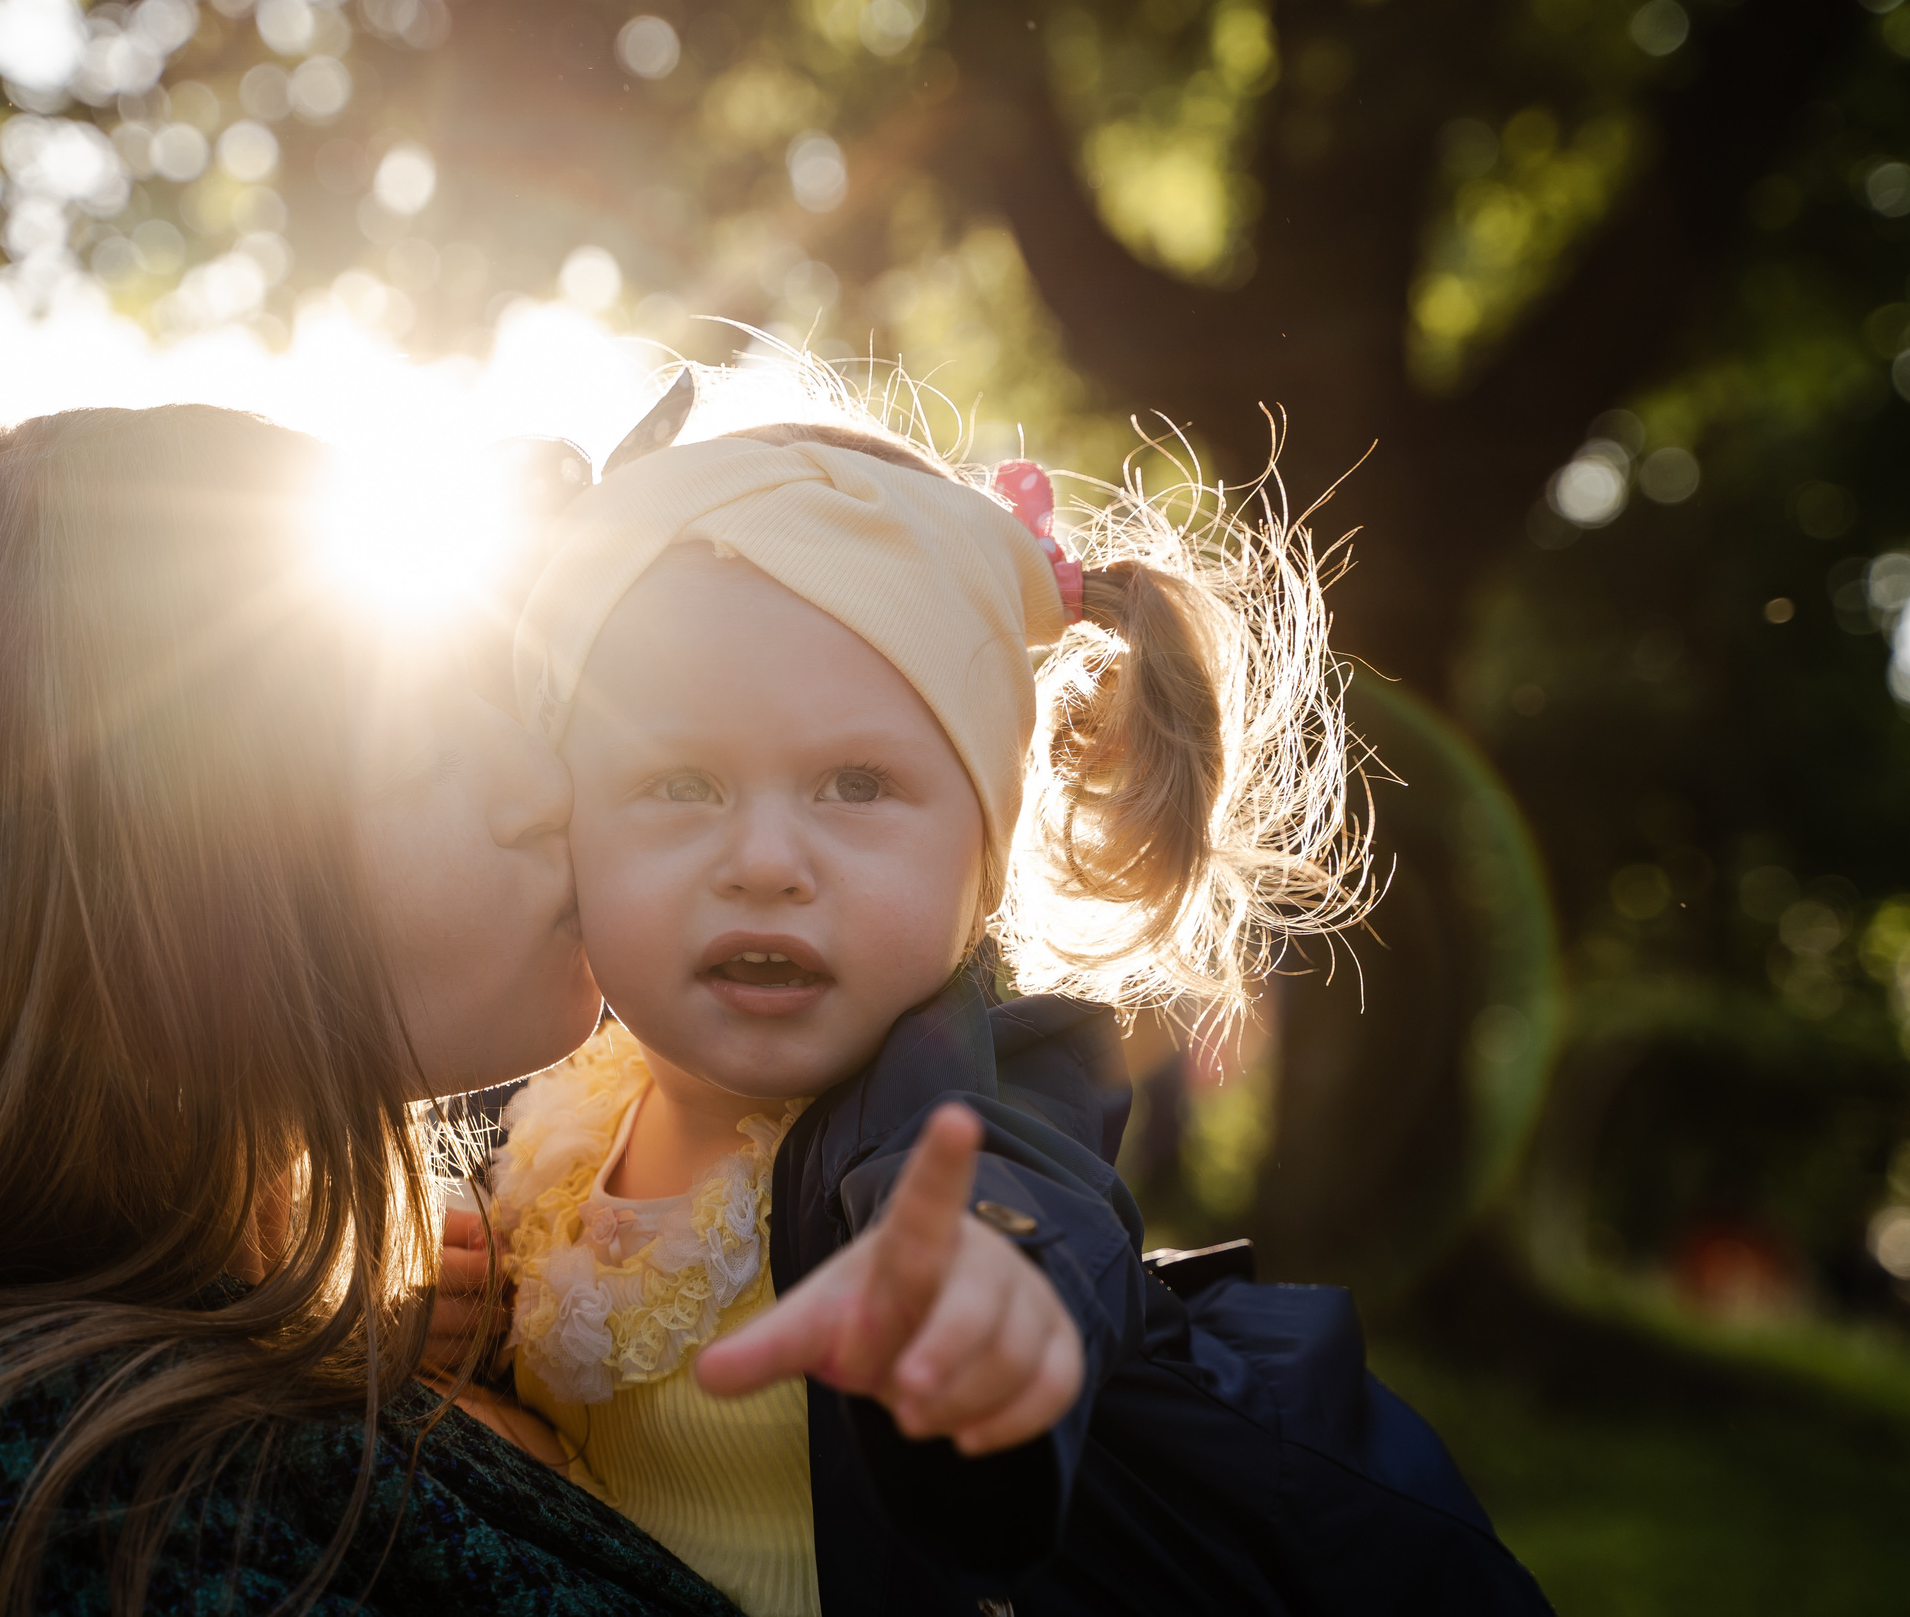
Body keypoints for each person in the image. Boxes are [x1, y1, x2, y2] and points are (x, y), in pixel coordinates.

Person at [0, 404, 1082, 1617]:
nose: (551, 779)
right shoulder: (38, 1506)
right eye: (437, 717)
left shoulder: (322, 1355)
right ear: (163, 871)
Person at [471, 387, 1555, 1615]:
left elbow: (1018, 1212)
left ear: (982, 862)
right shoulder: (566, 1111)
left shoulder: (965, 1104)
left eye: (857, 783)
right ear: (568, 824)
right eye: (678, 782)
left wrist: (984, 1337)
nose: (765, 857)